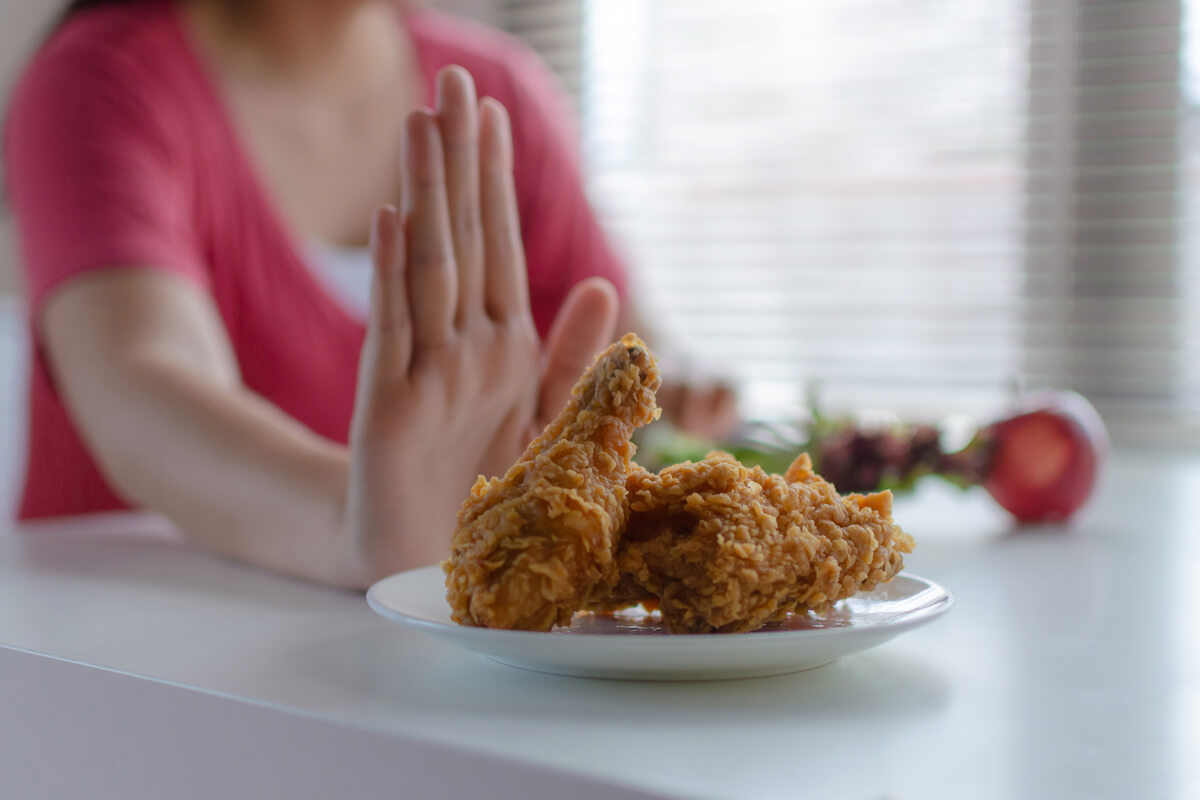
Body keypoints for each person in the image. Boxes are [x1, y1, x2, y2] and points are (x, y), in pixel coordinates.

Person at [3, 0, 737, 588]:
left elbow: (624, 348)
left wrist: (679, 382)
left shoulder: (498, 91)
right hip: (126, 673)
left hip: (409, 666)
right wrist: (354, 519)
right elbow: (143, 379)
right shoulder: (101, 79)